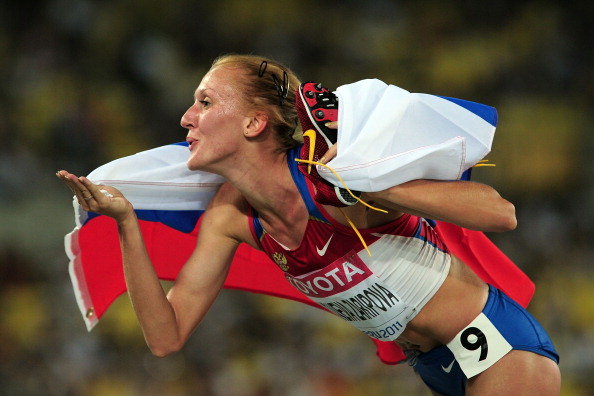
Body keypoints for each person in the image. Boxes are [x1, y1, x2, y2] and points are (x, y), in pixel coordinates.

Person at [57, 54, 560, 396]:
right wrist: (125, 222)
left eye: (206, 102)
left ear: (255, 123)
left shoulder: (333, 174)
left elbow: (500, 213)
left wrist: (368, 186)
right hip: (434, 366)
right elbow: (166, 338)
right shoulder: (230, 218)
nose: (186, 117)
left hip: (495, 345)